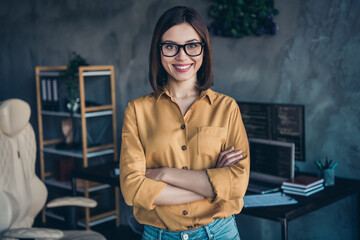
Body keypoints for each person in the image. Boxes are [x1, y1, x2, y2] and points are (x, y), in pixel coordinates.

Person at [120, 6, 250, 240]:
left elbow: (237, 186)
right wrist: (214, 183)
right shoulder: (137, 111)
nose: (182, 56)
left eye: (192, 45)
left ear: (204, 49)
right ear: (158, 51)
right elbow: (132, 190)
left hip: (219, 233)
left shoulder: (227, 108)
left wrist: (162, 174)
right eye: (170, 46)